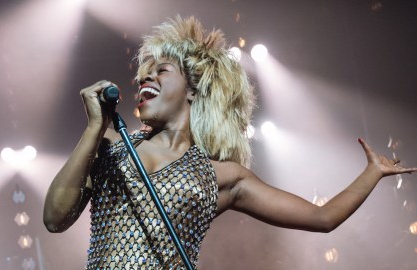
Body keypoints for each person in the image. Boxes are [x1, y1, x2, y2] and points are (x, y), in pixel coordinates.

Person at [43, 16, 416, 269]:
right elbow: (54, 219)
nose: (145, 79)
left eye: (161, 71)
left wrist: (373, 172)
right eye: (143, 74)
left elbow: (322, 217)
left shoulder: (219, 177)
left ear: (193, 89)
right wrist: (94, 129)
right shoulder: (110, 147)